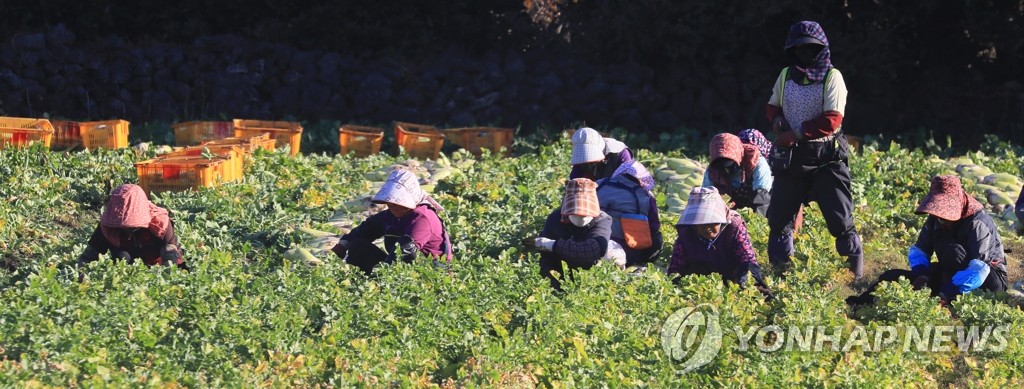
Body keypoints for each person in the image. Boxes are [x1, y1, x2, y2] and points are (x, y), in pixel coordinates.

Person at [764, 20, 863, 278]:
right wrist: (777, 122)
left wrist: (795, 134)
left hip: (825, 158)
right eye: (800, 49)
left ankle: (855, 275)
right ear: (792, 50)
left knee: (840, 220)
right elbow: (773, 105)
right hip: (793, 159)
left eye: (811, 49)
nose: (805, 54)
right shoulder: (786, 75)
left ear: (821, 49)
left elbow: (832, 120)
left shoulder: (833, 78)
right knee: (779, 219)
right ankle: (781, 273)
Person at [847, 175, 1009, 306]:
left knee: (954, 252)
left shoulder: (977, 222)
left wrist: (950, 290)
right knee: (892, 276)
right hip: (950, 274)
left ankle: (948, 297)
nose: (941, 219)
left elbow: (980, 267)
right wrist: (921, 275)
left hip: (986, 279)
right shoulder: (935, 219)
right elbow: (920, 250)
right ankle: (860, 303)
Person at [331, 169, 452, 274]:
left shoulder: (422, 217)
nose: (392, 206)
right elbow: (368, 228)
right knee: (358, 246)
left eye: (397, 202)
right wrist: (342, 246)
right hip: (401, 268)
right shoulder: (392, 214)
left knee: (402, 253)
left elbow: (406, 250)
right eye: (391, 202)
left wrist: (385, 276)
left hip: (427, 272)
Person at [667, 187, 772, 297]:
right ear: (693, 224)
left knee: (759, 292)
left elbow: (747, 260)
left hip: (732, 276)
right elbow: (676, 267)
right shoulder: (686, 234)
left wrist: (744, 283)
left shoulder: (734, 228)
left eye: (712, 222)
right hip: (701, 281)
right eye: (701, 224)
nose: (707, 228)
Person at [535, 178, 626, 289]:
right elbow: (546, 259)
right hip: (563, 270)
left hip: (593, 273)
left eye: (585, 214)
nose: (581, 216)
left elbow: (590, 252)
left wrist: (552, 245)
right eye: (576, 213)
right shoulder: (555, 219)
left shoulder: (602, 220)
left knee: (616, 257)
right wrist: (555, 285)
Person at [77, 184, 186, 272]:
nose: (128, 230)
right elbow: (87, 257)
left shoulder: (159, 223)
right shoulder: (108, 226)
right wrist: (82, 277)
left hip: (157, 264)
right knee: (123, 256)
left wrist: (164, 281)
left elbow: (170, 258)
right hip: (127, 269)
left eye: (132, 226)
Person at [596, 160, 663, 270]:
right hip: (629, 253)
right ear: (641, 179)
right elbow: (654, 227)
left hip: (594, 245)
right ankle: (640, 263)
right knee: (657, 238)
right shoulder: (645, 196)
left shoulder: (599, 184)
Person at [702, 133, 773, 216]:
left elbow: (761, 196)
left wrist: (756, 221)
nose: (727, 170)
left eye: (730, 165)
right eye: (722, 167)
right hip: (734, 210)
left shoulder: (755, 161)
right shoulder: (713, 169)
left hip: (764, 205)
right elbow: (706, 196)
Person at [569, 127, 633, 181]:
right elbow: (574, 178)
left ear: (600, 146)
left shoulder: (620, 153)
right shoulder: (582, 160)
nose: (589, 163)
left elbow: (629, 180)